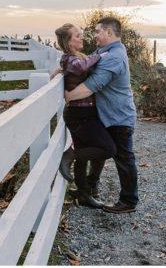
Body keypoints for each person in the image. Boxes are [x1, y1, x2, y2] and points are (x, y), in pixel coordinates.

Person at [65, 17, 139, 214]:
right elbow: (82, 63)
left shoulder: (114, 56)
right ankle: (89, 187)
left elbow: (92, 85)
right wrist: (59, 69)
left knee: (123, 158)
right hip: (106, 115)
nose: (94, 35)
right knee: (99, 152)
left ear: (108, 32)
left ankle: (129, 201)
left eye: (97, 32)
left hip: (119, 116)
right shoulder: (103, 51)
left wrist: (69, 96)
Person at [55, 23, 116, 208]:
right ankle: (70, 155)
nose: (82, 38)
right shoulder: (69, 59)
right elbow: (81, 68)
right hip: (79, 113)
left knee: (86, 153)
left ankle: (83, 194)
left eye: (81, 35)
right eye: (77, 36)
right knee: (109, 149)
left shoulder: (76, 57)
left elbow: (82, 64)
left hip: (84, 112)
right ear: (68, 41)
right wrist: (100, 55)